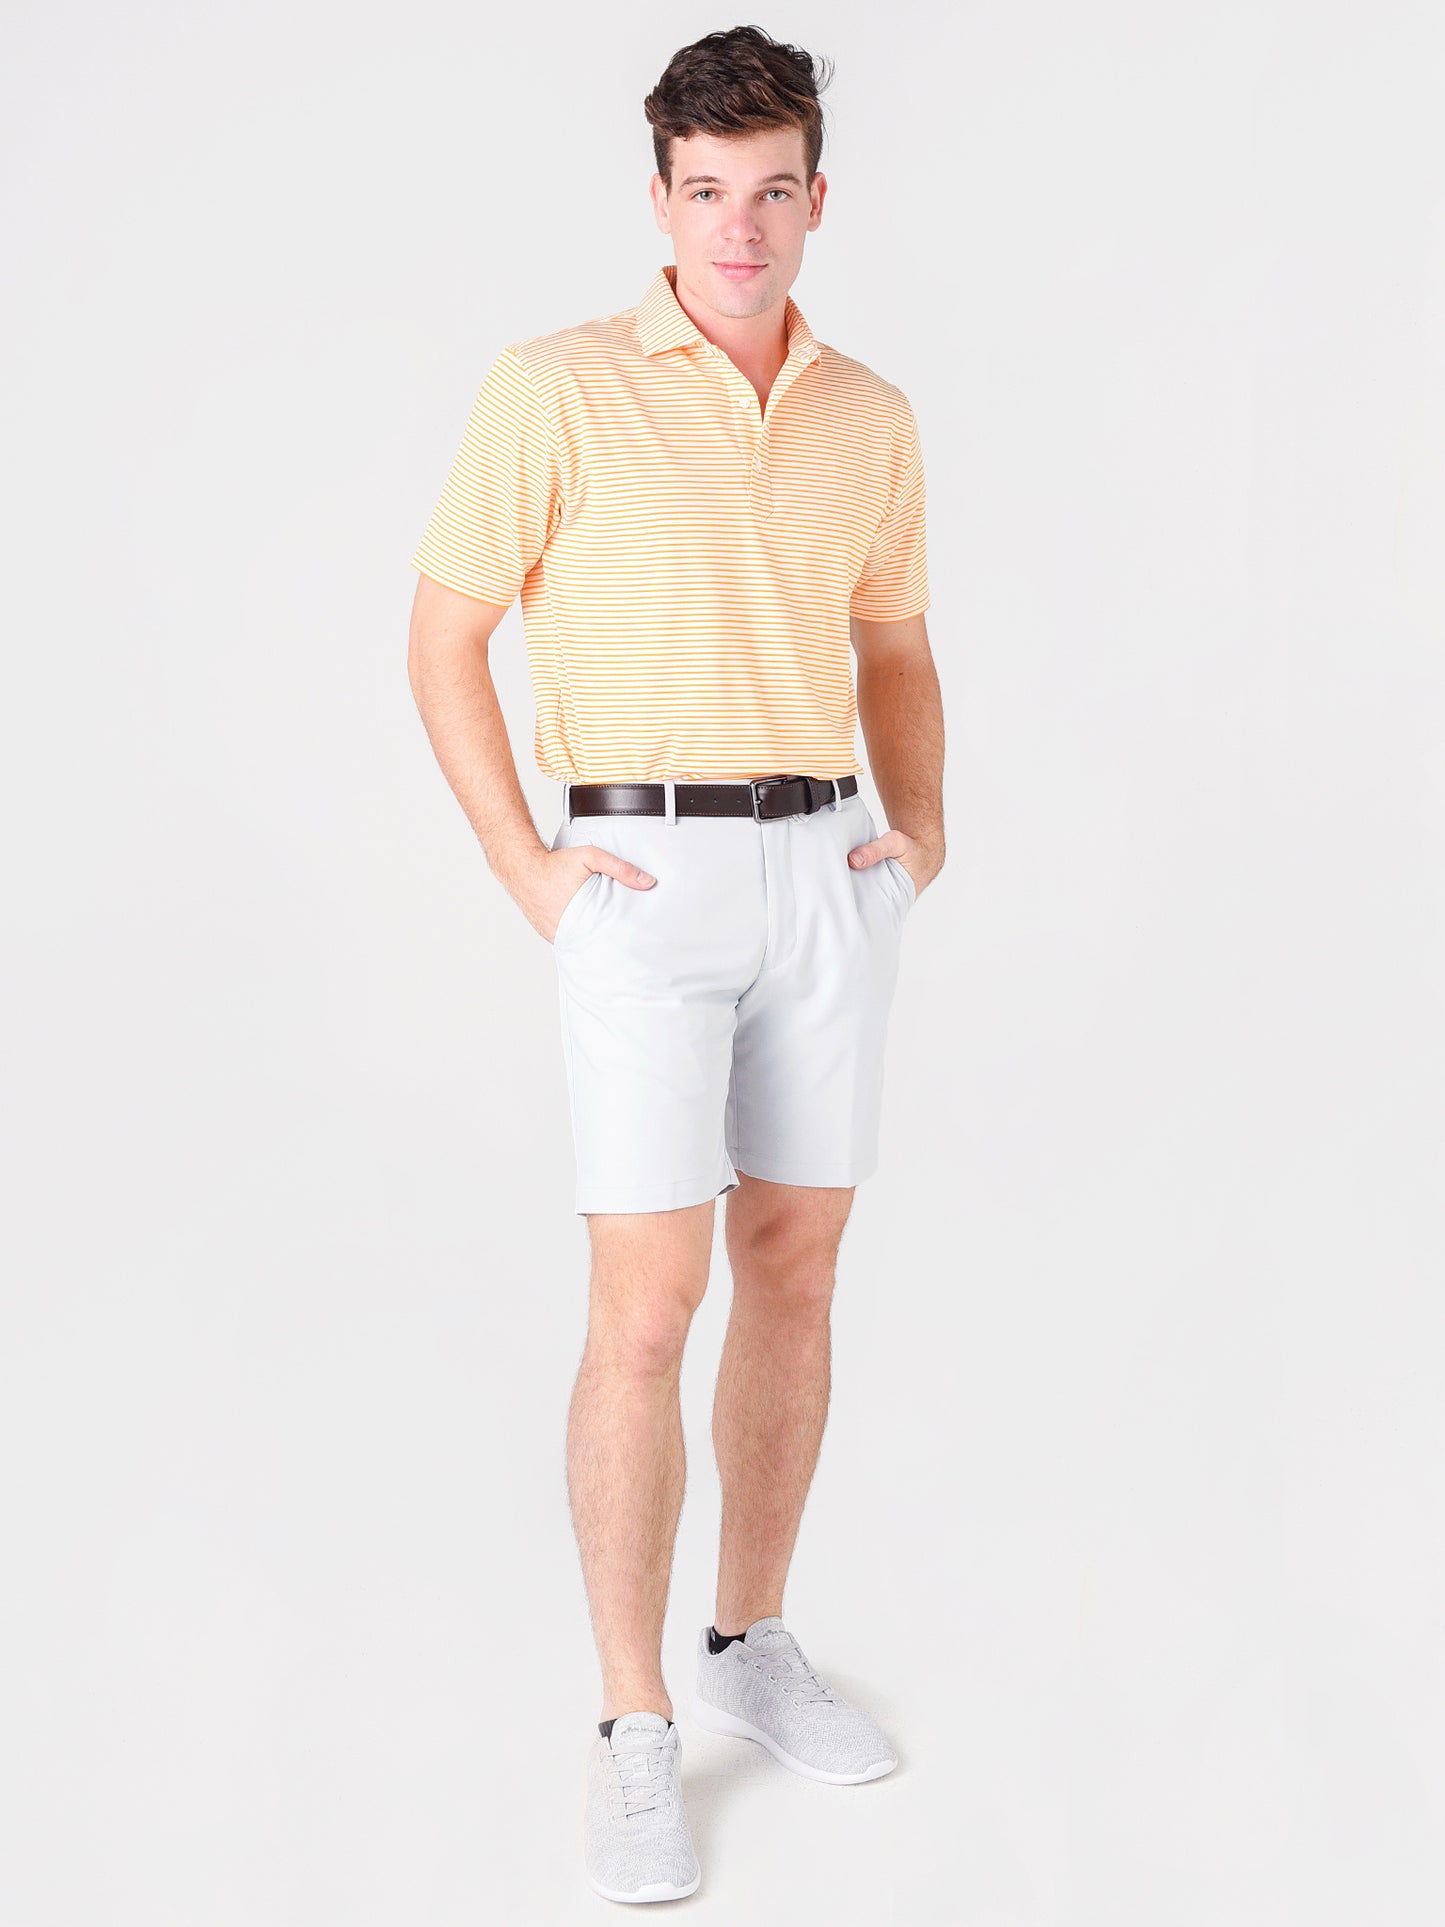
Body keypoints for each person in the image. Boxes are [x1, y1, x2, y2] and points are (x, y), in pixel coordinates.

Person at [406, 24, 945, 1905]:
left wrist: (917, 833)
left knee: (794, 1265)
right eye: (705, 192)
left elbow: (896, 643)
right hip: (637, 878)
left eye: (770, 190)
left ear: (816, 200)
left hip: (822, 870)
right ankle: (634, 1724)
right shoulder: (550, 387)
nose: (739, 226)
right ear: (658, 199)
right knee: (645, 1306)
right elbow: (444, 635)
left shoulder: (869, 414)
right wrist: (529, 873)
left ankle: (748, 1642)